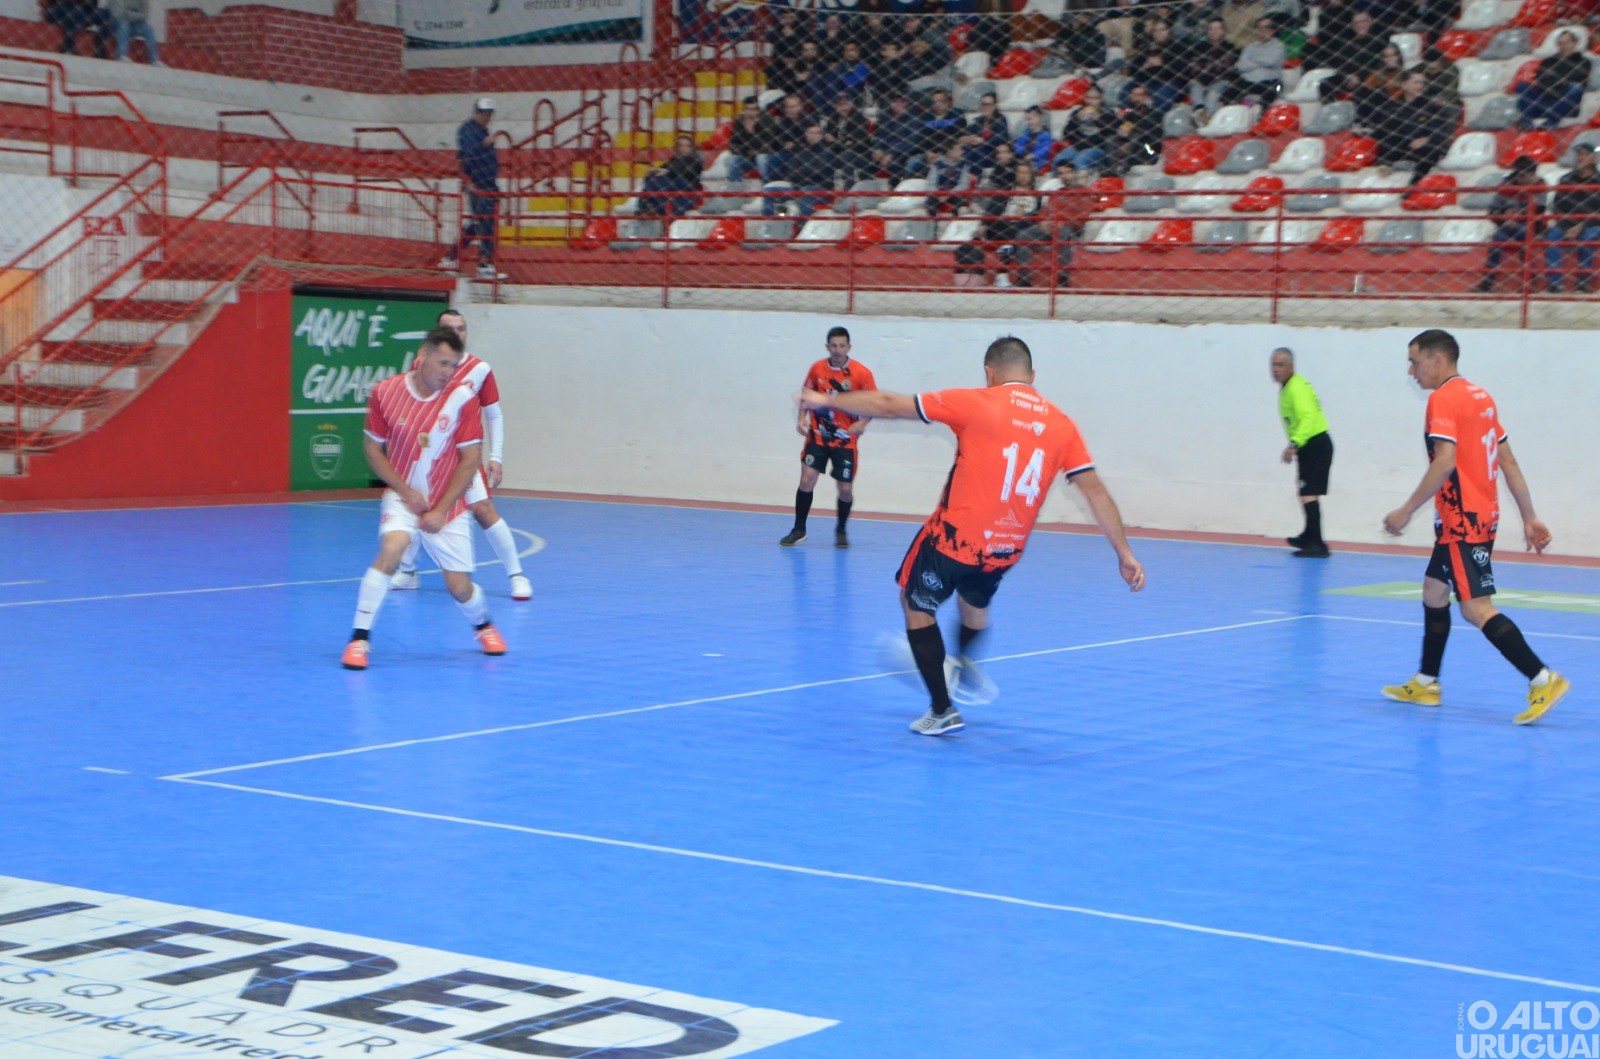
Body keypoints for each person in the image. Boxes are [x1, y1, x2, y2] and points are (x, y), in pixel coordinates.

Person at [797, 336, 1145, 735]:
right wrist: (1124, 553)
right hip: (1005, 548)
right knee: (974, 608)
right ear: (1032, 377)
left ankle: (942, 709)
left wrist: (826, 401)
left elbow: (888, 404)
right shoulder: (1062, 424)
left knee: (916, 605)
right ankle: (962, 664)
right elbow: (1095, 490)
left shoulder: (977, 401)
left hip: (954, 539)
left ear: (988, 372)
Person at [1379, 329, 1569, 725]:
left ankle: (1542, 678)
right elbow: (1508, 461)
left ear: (1437, 360)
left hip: (1462, 522)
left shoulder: (1442, 399)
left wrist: (1406, 510)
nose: (1411, 371)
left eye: (1414, 361)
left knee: (1475, 608)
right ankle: (1427, 682)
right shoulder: (1481, 397)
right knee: (1434, 591)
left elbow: (1444, 462)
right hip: (1476, 517)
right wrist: (1529, 515)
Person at [341, 326, 507, 670]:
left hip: (449, 504)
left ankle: (484, 625)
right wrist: (405, 493)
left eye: (454, 365)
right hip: (403, 498)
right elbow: (373, 450)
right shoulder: (386, 393)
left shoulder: (463, 399)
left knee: (459, 587)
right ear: (424, 356)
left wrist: (442, 509)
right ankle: (358, 639)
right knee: (392, 550)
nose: (448, 372)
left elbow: (470, 460)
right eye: (443, 363)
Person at [391, 309, 533, 602]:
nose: (457, 333)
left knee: (483, 510)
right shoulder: (422, 365)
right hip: (427, 456)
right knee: (414, 507)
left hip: (462, 457)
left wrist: (497, 455)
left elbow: (493, 415)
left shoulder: (480, 369)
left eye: (462, 328)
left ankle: (517, 575)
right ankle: (406, 572)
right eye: (450, 328)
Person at [781, 327, 876, 548]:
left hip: (845, 440)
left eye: (842, 345)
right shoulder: (817, 369)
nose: (837, 350)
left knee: (844, 488)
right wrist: (802, 418)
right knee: (806, 479)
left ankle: (841, 529)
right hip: (818, 437)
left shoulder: (862, 374)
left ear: (849, 347)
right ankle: (799, 529)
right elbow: (806, 394)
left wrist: (862, 422)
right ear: (827, 347)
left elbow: (875, 404)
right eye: (833, 345)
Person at [1269, 347, 1333, 557]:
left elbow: (1307, 417)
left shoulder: (1296, 388)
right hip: (1310, 444)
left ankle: (1317, 545)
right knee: (1305, 491)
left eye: (1280, 365)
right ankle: (1309, 536)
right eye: (1273, 365)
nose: (1275, 369)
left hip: (1314, 443)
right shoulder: (1290, 387)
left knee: (1308, 493)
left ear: (1291, 367)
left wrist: (1294, 443)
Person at [439, 99, 507, 281]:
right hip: (478, 184)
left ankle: (452, 257)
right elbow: (467, 155)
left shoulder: (480, 130)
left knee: (479, 223)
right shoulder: (468, 130)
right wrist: (484, 144)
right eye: (485, 113)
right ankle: (484, 264)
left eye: (489, 113)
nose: (487, 117)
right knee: (484, 223)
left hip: (486, 183)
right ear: (477, 112)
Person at [1476, 155, 1546, 293]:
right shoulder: (1506, 186)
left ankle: (1529, 278)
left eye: (1530, 175)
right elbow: (1493, 210)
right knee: (1497, 240)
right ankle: (1488, 280)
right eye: (1524, 175)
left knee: (1524, 234)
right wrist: (1505, 218)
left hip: (1530, 224)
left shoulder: (1540, 185)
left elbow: (1540, 210)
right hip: (1507, 225)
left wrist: (1520, 213)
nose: (1526, 178)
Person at [1373, 69, 1451, 179]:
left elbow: (1442, 128)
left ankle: (1413, 187)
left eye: (1422, 83)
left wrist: (1428, 138)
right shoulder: (1392, 108)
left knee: (1429, 151)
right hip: (1401, 148)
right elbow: (1388, 134)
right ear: (1405, 85)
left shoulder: (1432, 107)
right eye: (1416, 82)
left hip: (1424, 149)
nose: (1420, 86)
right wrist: (1409, 141)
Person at [1544, 143, 1600, 293]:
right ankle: (1555, 284)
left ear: (1593, 158)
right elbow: (1557, 206)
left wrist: (1581, 226)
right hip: (1567, 224)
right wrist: (1568, 226)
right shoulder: (1566, 179)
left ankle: (1583, 283)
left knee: (1589, 236)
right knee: (1552, 237)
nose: (1580, 158)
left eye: (1585, 154)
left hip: (1593, 224)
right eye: (1579, 154)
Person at [1516, 31, 1591, 131]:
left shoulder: (1583, 62)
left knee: (1575, 88)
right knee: (1522, 86)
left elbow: (1578, 79)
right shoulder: (1548, 61)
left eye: (1567, 42)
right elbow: (1540, 80)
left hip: (1564, 102)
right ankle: (1526, 122)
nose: (1563, 46)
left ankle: (1552, 121)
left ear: (1574, 43)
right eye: (1561, 43)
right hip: (1545, 98)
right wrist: (1560, 82)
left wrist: (1554, 81)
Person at [638, 134, 703, 218]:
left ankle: (652, 208)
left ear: (692, 148)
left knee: (661, 181)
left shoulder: (696, 160)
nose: (684, 148)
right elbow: (663, 169)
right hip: (671, 186)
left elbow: (685, 172)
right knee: (651, 179)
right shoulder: (673, 160)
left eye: (688, 146)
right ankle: (647, 207)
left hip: (686, 188)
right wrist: (655, 171)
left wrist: (667, 172)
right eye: (681, 146)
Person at [727, 96, 778, 183]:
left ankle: (765, 187)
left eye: (754, 109)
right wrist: (744, 151)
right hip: (747, 155)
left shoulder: (766, 120)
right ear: (744, 109)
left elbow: (769, 144)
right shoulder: (739, 121)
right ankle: (736, 188)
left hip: (766, 155)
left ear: (759, 110)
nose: (751, 112)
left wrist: (752, 130)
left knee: (761, 158)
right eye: (748, 109)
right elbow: (733, 144)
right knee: (732, 160)